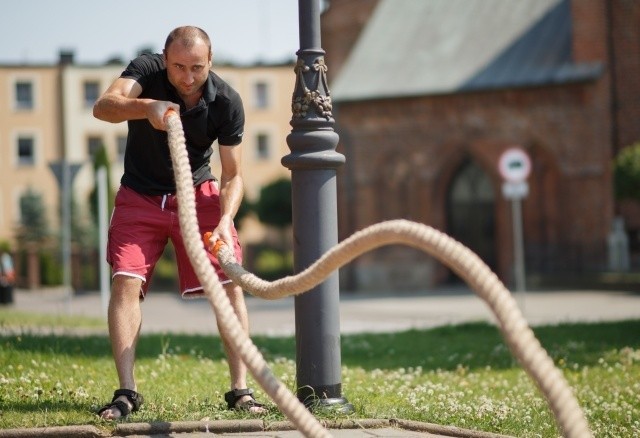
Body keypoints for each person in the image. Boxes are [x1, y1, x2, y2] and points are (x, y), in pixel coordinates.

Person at [93, 26, 264, 419]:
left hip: (198, 193)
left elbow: (234, 174)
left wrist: (225, 219)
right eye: (178, 67)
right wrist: (145, 107)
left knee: (230, 282)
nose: (187, 78)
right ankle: (126, 392)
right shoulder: (146, 70)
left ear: (211, 61)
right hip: (140, 194)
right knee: (125, 280)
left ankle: (241, 390)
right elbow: (104, 106)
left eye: (197, 68)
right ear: (164, 58)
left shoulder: (227, 101)